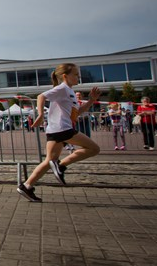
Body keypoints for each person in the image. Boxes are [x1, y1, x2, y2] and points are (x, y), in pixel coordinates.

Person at [17, 64, 101, 202]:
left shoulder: (70, 92)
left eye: (78, 75)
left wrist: (91, 100)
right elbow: (40, 96)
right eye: (75, 74)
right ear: (65, 76)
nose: (78, 77)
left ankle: (26, 186)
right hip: (62, 129)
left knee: (48, 161)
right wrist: (40, 115)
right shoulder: (62, 88)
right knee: (94, 148)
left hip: (56, 130)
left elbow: (77, 112)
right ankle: (61, 166)